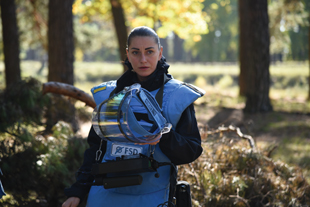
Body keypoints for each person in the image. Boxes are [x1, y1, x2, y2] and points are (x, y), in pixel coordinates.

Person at [62, 26, 204, 207]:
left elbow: (191, 150)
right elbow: (96, 149)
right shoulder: (108, 95)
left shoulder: (178, 96)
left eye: (149, 52)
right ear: (127, 54)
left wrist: (163, 136)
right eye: (136, 52)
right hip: (105, 194)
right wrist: (77, 191)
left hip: (154, 196)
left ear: (160, 53)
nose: (143, 59)